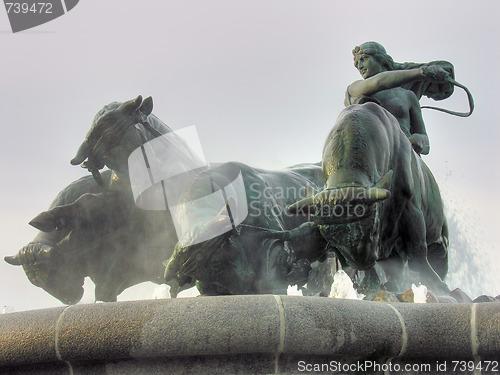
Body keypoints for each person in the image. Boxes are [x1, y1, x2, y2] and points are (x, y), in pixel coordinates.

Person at [345, 41, 450, 155]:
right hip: (372, 154)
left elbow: (426, 144)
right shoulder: (354, 89)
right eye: (356, 64)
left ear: (381, 59)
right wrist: (422, 72)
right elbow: (379, 81)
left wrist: (419, 140)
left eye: (363, 59)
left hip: (404, 155)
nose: (360, 66)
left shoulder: (408, 96)